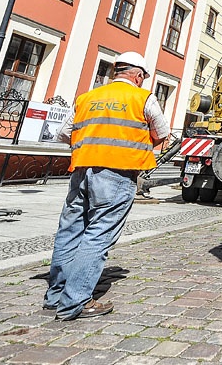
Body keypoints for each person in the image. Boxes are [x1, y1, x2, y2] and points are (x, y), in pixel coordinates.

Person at [44, 52, 173, 320]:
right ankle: (75, 302)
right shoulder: (142, 97)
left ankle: (55, 296)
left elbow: (63, 134)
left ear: (116, 72)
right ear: (138, 75)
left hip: (81, 170)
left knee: (70, 231)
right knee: (98, 234)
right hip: (117, 174)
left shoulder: (87, 97)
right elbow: (162, 133)